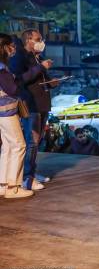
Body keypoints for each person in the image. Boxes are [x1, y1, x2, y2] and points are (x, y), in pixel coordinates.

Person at [10, 29, 58, 190]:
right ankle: (26, 177)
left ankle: (31, 172)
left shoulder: (37, 57)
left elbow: (39, 78)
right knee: (31, 141)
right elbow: (19, 79)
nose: (41, 41)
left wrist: (51, 81)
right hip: (30, 104)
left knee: (37, 141)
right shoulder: (20, 56)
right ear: (28, 40)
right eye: (38, 39)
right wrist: (41, 67)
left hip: (42, 103)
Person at [0, 33, 33, 199]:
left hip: (2, 113)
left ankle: (3, 184)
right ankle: (13, 187)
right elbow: (12, 89)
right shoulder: (2, 68)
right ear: (4, 47)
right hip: (7, 112)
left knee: (7, 147)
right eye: (11, 45)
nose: (13, 48)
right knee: (19, 145)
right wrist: (18, 80)